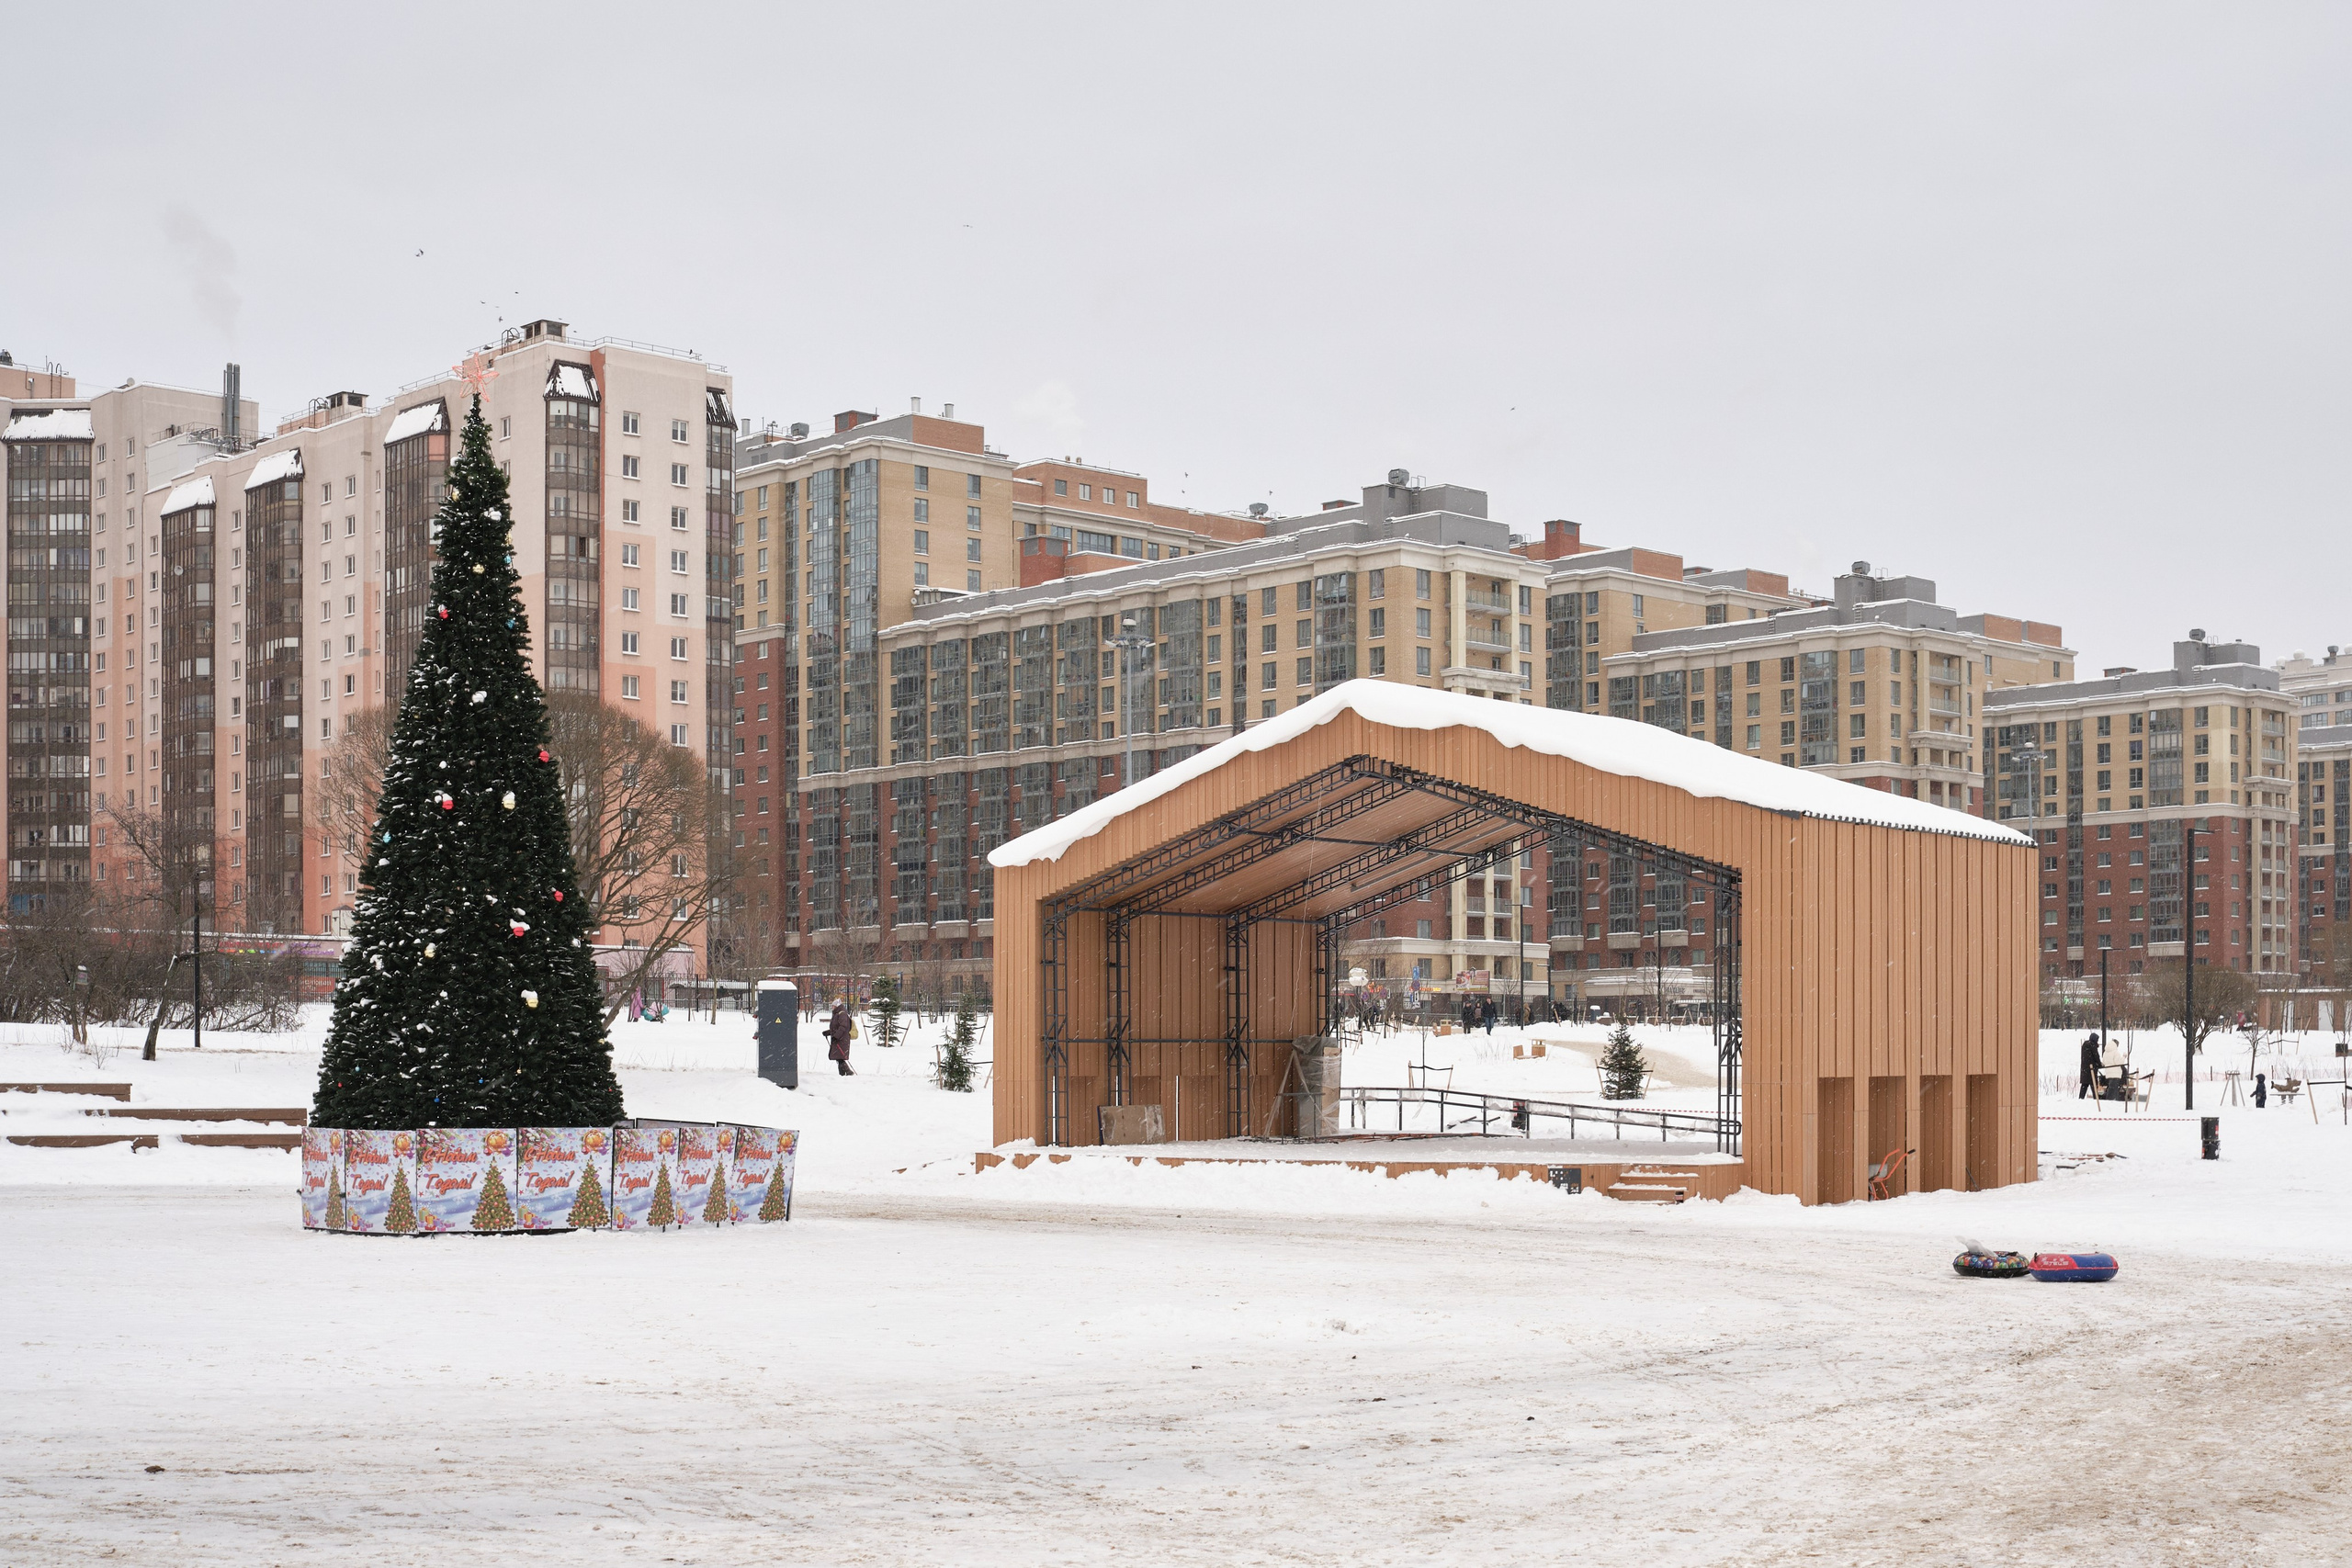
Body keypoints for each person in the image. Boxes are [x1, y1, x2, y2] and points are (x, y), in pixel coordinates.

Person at [826, 999, 855, 1077]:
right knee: (838, 1057)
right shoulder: (837, 1014)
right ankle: (842, 1074)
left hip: (842, 1039)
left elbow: (843, 1027)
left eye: (833, 1006)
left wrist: (836, 1036)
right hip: (839, 1038)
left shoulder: (842, 1014)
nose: (832, 1007)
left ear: (837, 1006)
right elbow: (836, 1027)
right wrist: (829, 1032)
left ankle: (848, 1072)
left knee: (840, 1057)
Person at [2078, 1033, 2101, 1100]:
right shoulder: (2092, 1046)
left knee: (2084, 1085)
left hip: (2085, 1069)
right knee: (2093, 1085)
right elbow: (2096, 1057)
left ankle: (2081, 1098)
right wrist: (2099, 1064)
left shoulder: (2085, 1045)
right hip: (2091, 1069)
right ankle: (2096, 1099)